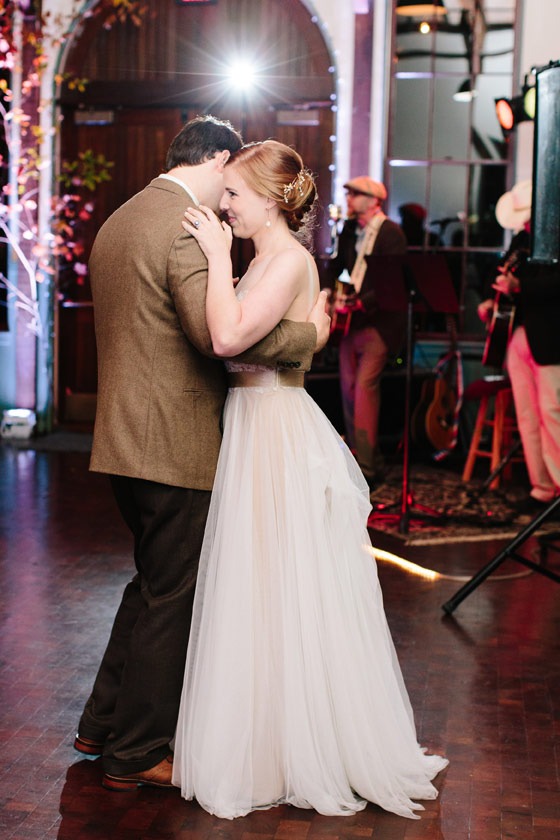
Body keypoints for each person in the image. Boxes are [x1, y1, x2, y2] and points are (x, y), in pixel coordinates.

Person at [172, 140, 448, 819]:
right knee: (258, 583)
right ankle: (265, 738)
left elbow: (230, 339)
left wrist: (211, 259)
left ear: (269, 200)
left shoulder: (288, 258)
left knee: (279, 580)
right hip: (254, 424)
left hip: (274, 431)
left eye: (234, 193)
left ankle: (296, 745)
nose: (224, 204)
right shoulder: (271, 257)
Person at [74, 116, 330, 791]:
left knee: (150, 585)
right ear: (218, 159)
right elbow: (221, 337)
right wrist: (308, 336)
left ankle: (100, 724)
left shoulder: (125, 218)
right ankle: (135, 753)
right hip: (174, 443)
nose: (230, 200)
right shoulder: (185, 227)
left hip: (123, 439)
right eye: (234, 179)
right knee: (171, 600)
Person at [478, 180, 560, 517]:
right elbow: (502, 272)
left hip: (552, 338)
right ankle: (541, 488)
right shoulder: (523, 239)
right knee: (527, 414)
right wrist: (491, 296)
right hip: (521, 333)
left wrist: (520, 286)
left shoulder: (554, 237)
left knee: (552, 414)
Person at [327, 176, 407, 489]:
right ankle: (360, 458)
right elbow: (337, 267)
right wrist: (334, 295)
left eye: (356, 194)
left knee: (363, 387)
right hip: (351, 321)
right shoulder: (349, 229)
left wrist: (361, 302)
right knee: (348, 390)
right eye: (348, 194)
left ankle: (368, 467)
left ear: (374, 200)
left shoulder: (391, 233)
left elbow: (391, 281)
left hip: (378, 321)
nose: (349, 199)